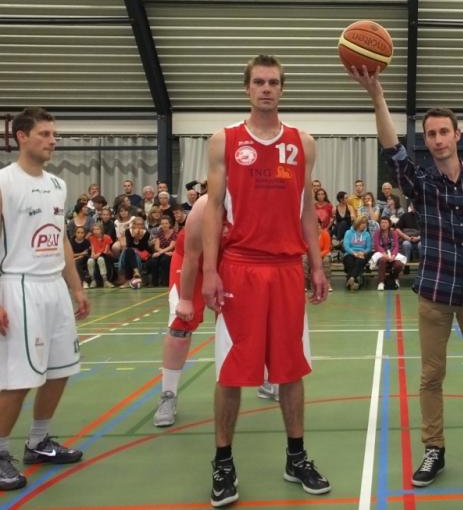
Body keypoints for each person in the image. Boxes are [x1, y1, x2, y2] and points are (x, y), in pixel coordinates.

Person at [350, 66, 463, 489]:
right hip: (435, 294)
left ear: (457, 135)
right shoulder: (421, 184)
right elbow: (392, 148)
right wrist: (377, 95)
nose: (438, 139)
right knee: (431, 376)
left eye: (444, 132)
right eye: (431, 134)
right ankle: (434, 448)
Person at [202, 54, 330, 507]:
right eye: (258, 82)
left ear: (282, 88)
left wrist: (317, 265)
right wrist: (210, 270)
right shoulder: (224, 140)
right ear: (247, 88)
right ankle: (223, 462)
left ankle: (296, 457)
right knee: (231, 372)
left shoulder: (302, 143)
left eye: (273, 82)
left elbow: (306, 211)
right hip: (239, 267)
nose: (266, 89)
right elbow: (213, 209)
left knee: (291, 369)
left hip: (286, 269)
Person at [0, 107, 90, 491]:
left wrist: (76, 287)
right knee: (19, 378)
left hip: (54, 286)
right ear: (22, 136)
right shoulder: (4, 182)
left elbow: (62, 239)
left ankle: (38, 442)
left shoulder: (57, 184)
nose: (53, 140)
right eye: (45, 134)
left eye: (54, 134)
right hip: (19, 286)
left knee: (60, 369)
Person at [153, 194, 210, 428]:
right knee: (180, 325)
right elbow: (192, 254)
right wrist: (186, 299)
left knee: (249, 319)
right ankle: (168, 395)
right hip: (191, 257)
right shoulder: (206, 204)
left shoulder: (261, 195)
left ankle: (267, 378)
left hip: (231, 259)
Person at [372, 217, 405, 290]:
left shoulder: (394, 233)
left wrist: (393, 255)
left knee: (398, 265)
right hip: (381, 253)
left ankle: (394, 278)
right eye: (382, 222)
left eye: (385, 222)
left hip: (392, 253)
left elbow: (396, 246)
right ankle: (381, 282)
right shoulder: (377, 233)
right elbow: (377, 245)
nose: (383, 224)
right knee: (382, 260)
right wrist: (384, 254)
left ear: (389, 224)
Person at [117, 217, 150, 287]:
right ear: (133, 225)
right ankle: (136, 272)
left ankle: (128, 281)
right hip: (130, 253)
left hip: (139, 255)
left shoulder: (146, 233)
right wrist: (134, 236)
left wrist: (138, 237)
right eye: (137, 224)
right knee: (129, 251)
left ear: (143, 225)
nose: (139, 226)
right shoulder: (128, 231)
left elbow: (142, 248)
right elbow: (129, 245)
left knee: (128, 253)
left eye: (141, 224)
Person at [342, 215, 372, 291]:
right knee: (349, 260)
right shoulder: (348, 232)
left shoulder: (367, 234)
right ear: (357, 223)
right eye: (362, 223)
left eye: (365, 223)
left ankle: (351, 278)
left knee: (360, 260)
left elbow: (369, 248)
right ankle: (354, 280)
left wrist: (362, 253)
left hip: (362, 254)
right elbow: (346, 246)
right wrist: (354, 253)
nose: (364, 225)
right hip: (350, 253)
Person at [148, 216, 178, 287]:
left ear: (170, 224)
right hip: (162, 252)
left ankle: (166, 282)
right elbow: (156, 247)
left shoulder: (174, 234)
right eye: (162, 223)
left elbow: (171, 247)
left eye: (166, 223)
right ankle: (154, 283)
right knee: (153, 260)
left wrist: (160, 253)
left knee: (165, 259)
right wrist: (162, 252)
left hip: (171, 253)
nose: (164, 225)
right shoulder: (159, 233)